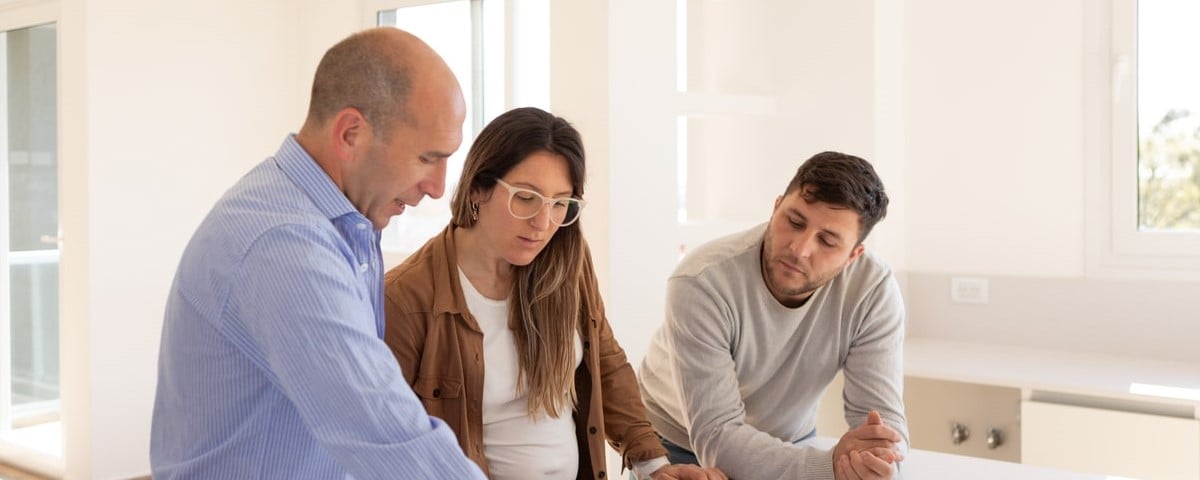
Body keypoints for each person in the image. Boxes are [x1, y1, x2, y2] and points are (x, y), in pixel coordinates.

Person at [150, 27, 486, 479]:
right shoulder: (285, 244)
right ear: (350, 133)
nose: (437, 187)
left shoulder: (340, 226)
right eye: (428, 158)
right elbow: (386, 433)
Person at [383, 107, 726, 480]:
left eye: (560, 203)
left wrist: (654, 466)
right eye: (526, 198)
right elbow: (390, 439)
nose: (544, 224)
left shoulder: (567, 263)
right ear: (479, 187)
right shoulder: (406, 299)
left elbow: (606, 365)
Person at [637, 151, 909, 480]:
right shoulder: (702, 281)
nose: (800, 248)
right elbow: (717, 436)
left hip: (790, 439)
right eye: (794, 221)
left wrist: (875, 460)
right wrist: (831, 467)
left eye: (827, 240)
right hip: (680, 444)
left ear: (853, 256)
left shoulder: (873, 290)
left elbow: (882, 425)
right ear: (776, 206)